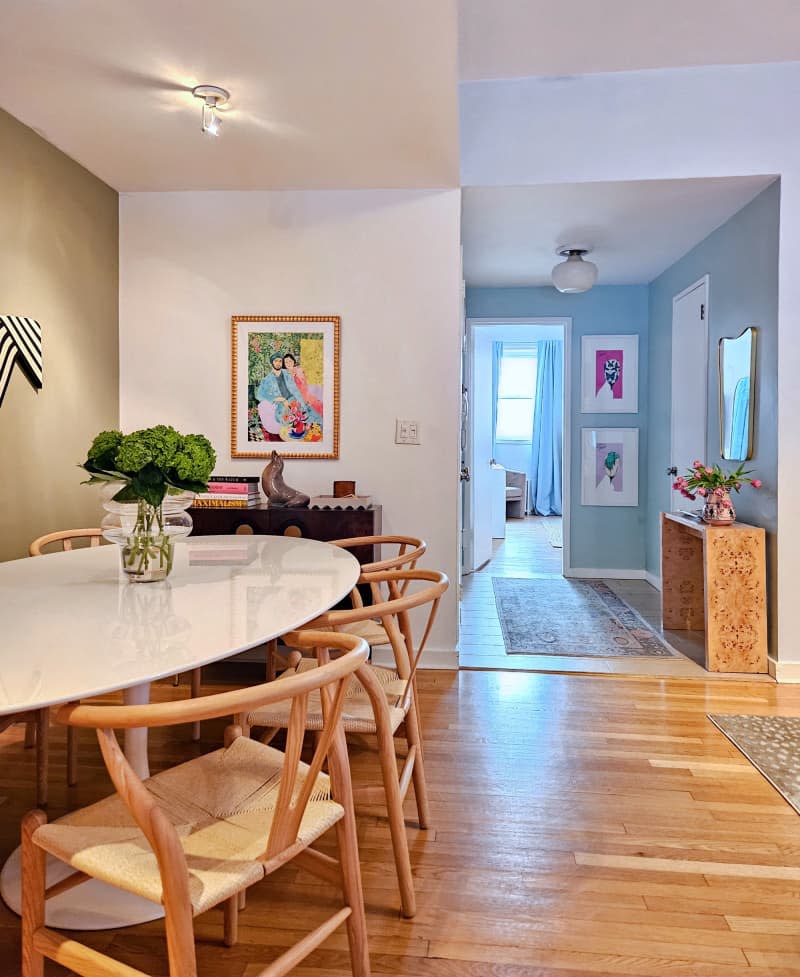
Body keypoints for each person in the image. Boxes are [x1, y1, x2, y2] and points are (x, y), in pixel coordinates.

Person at [282, 351, 323, 416]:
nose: (289, 363)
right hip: (291, 397)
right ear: (284, 364)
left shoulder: (299, 370)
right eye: (286, 362)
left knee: (314, 406)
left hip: (303, 394)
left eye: (290, 361)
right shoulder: (284, 374)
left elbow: (304, 385)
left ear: (293, 361)